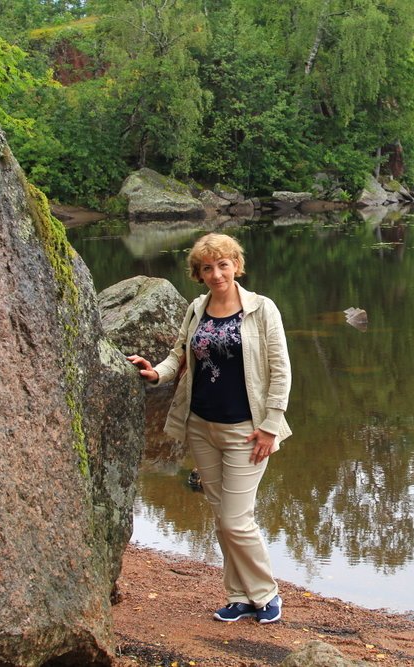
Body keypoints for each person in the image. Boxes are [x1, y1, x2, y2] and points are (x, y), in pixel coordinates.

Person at [127, 232, 292, 624]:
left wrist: (271, 426)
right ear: (198, 274)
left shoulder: (262, 309)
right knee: (222, 518)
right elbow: (178, 357)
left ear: (236, 265)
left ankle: (266, 593)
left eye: (223, 264)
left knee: (236, 519)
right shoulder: (196, 309)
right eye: (207, 268)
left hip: (247, 431)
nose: (216, 274)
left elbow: (281, 371)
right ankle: (239, 596)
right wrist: (155, 373)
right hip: (201, 427)